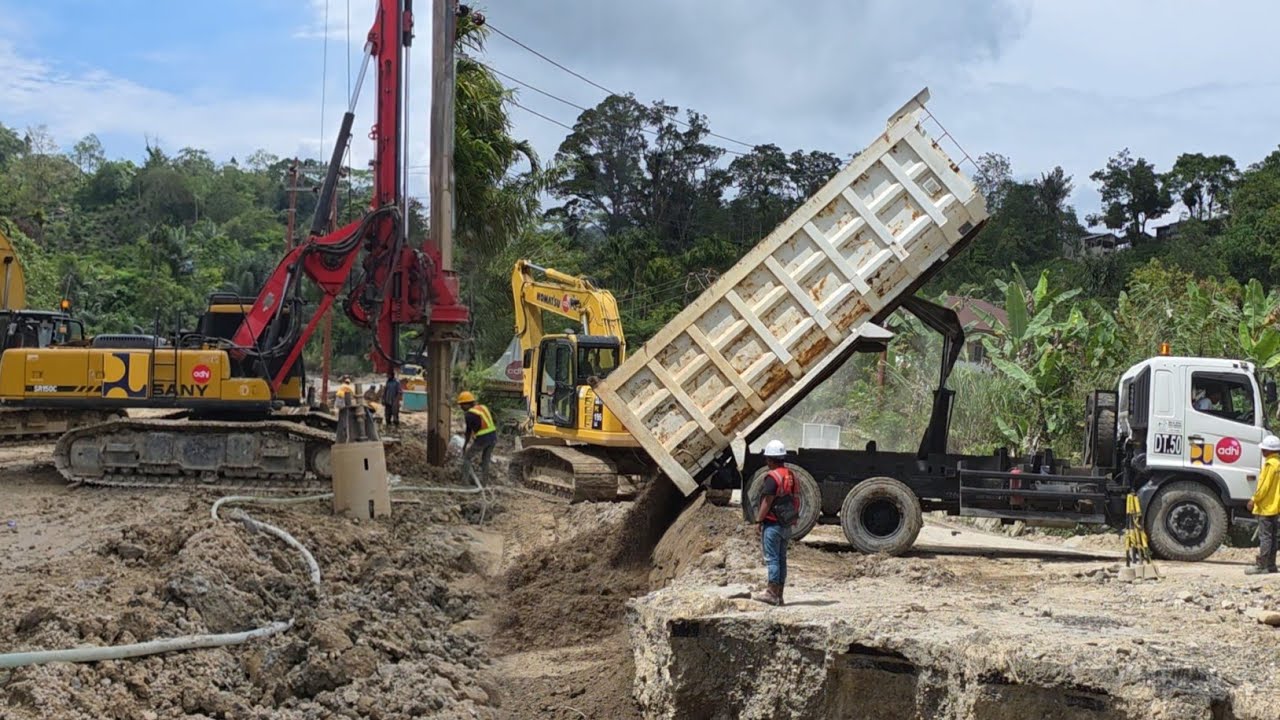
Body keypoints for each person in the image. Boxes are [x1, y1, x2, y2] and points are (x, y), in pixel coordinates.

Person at [753, 440, 799, 606]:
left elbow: (767, 501)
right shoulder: (791, 475)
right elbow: (796, 497)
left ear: (770, 459)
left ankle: (772, 594)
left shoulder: (773, 477)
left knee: (772, 559)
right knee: (781, 559)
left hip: (772, 524)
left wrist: (758, 520)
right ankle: (779, 595)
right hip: (786, 524)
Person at [1246, 434, 1280, 575]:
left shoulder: (1269, 465)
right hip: (1276, 507)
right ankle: (1271, 565)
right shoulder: (1278, 464)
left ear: (1269, 451)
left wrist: (1254, 499)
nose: (1262, 451)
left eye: (1264, 449)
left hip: (1266, 507)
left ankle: (1262, 566)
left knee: (1265, 537)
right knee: (1273, 536)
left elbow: (1264, 487)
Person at [459, 391, 497, 485]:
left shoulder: (469, 415)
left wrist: (464, 446)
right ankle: (484, 483)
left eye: (462, 405)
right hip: (493, 437)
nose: (461, 407)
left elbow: (468, 432)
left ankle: (464, 482)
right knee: (485, 460)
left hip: (483, 438)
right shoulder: (483, 407)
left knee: (467, 458)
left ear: (467, 404)